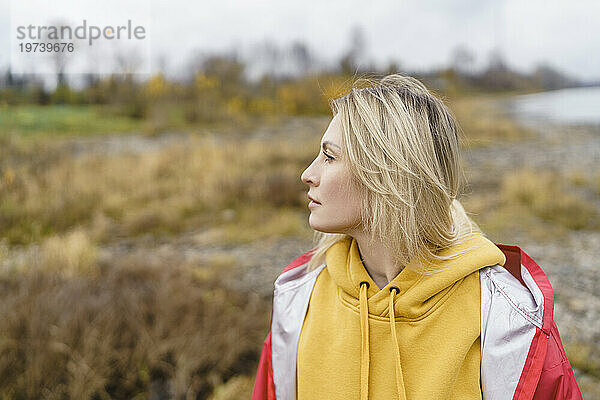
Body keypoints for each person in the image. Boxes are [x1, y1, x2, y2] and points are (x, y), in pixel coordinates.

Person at [251, 74, 583, 399]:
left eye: (330, 156)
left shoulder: (508, 317)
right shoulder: (298, 297)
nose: (307, 174)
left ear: (386, 173)